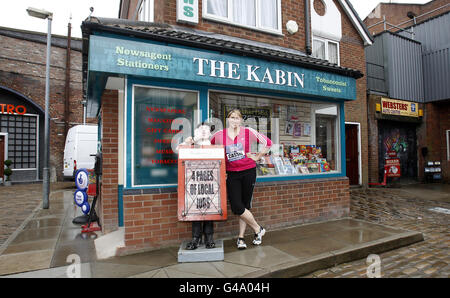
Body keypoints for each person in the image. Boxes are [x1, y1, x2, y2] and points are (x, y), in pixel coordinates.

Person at [210, 109, 272, 249]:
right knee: (237, 206)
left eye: (237, 118)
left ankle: (241, 237)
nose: (234, 120)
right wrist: (191, 141)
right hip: (231, 174)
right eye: (232, 117)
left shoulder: (248, 132)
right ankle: (258, 229)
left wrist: (257, 157)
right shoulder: (219, 135)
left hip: (248, 171)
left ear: (241, 120)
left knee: (244, 205)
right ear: (228, 119)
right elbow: (207, 145)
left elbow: (268, 143)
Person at [177, 122, 216, 250]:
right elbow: (179, 151)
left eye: (207, 129)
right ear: (196, 131)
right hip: (194, 183)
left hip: (210, 183)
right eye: (201, 129)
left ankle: (209, 237)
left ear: (210, 132)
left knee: (211, 211)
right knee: (195, 210)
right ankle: (196, 237)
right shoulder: (192, 145)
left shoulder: (214, 146)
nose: (204, 131)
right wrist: (188, 143)